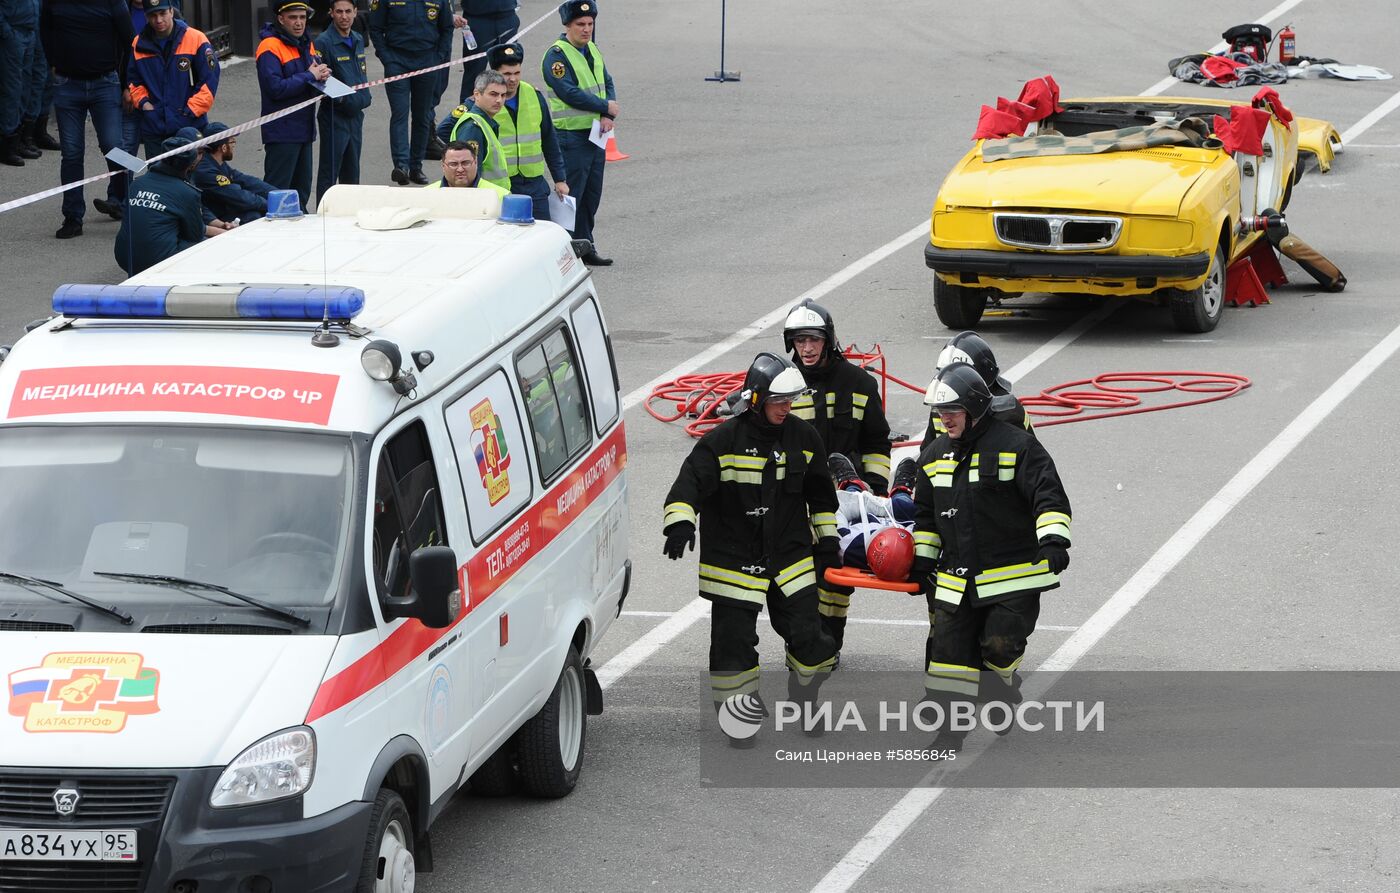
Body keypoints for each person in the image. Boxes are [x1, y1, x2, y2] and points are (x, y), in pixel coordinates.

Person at [663, 351, 839, 745]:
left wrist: (827, 541)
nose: (785, 408)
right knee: (733, 647)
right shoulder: (721, 442)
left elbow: (822, 498)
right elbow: (688, 484)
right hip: (733, 563)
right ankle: (739, 721)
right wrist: (679, 522)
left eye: (789, 402)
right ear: (756, 399)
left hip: (790, 558)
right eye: (778, 402)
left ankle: (807, 697)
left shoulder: (804, 438)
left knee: (811, 638)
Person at [911, 362, 1072, 750]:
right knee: (949, 660)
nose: (943, 419)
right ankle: (951, 732)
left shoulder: (1017, 446)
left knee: (999, 646)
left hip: (1011, 574)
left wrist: (1053, 541)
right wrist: (922, 560)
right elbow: (927, 516)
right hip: (956, 578)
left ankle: (999, 688)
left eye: (951, 411)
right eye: (939, 412)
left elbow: (1047, 495)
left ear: (974, 407)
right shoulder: (933, 456)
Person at [781, 299, 891, 656]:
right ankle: (805, 643)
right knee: (794, 581)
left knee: (834, 579)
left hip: (845, 503)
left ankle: (827, 644)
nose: (807, 348)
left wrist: (873, 493)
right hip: (795, 502)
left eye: (813, 339)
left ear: (827, 340)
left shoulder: (859, 383)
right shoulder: (782, 386)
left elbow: (876, 442)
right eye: (799, 341)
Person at [37, 0, 135, 236]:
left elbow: (130, 42)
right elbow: (46, 32)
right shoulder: (53, 3)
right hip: (67, 84)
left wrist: (127, 85)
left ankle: (130, 201)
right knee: (71, 152)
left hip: (105, 83)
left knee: (113, 146)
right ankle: (72, 217)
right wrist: (53, 63)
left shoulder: (113, 3)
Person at [540, 0, 616, 266]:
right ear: (567, 25)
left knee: (591, 195)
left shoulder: (592, 49)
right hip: (572, 136)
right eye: (580, 25)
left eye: (590, 24)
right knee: (570, 198)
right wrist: (604, 106)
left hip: (595, 134)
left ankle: (585, 245)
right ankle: (563, 251)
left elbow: (606, 81)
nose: (586, 29)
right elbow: (568, 92)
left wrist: (608, 113)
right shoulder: (557, 56)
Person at [115, 128, 234, 274]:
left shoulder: (137, 183)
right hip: (156, 260)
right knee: (207, 247)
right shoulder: (186, 191)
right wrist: (225, 235)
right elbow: (195, 235)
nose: (201, 157)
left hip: (124, 256)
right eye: (200, 153)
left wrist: (219, 226)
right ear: (191, 162)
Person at [366, 0, 453, 186]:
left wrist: (438, 57)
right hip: (397, 60)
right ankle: (401, 166)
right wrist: (387, 58)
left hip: (427, 60)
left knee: (423, 116)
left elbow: (447, 28)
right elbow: (375, 28)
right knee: (400, 113)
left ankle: (416, 167)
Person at [479, 42, 567, 222]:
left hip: (534, 184)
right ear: (495, 74)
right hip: (503, 186)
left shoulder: (534, 95)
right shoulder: (483, 101)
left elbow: (549, 139)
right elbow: (451, 131)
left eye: (517, 73)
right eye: (507, 74)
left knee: (542, 235)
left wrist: (560, 179)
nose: (513, 79)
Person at [255, 0, 329, 211]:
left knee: (301, 193)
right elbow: (275, 89)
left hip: (304, 129)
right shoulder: (269, 47)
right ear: (280, 18)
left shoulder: (306, 42)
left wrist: (321, 76)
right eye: (293, 17)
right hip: (282, 131)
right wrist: (310, 75)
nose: (299, 23)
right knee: (278, 193)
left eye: (302, 17)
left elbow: (309, 79)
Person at [127, 0, 217, 158]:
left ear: (171, 11)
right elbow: (134, 82)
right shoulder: (139, 43)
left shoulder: (196, 38)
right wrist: (145, 105)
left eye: (162, 13)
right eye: (153, 15)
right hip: (155, 126)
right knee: (158, 179)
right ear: (146, 16)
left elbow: (209, 83)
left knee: (192, 178)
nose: (159, 20)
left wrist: (189, 112)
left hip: (190, 126)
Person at [921, 331, 1035, 442]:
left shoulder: (1007, 414)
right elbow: (928, 453)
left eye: (960, 375)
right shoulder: (942, 405)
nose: (950, 383)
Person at [313, 0, 370, 202]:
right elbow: (321, 80)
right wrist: (346, 101)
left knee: (352, 171)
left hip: (356, 116)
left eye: (348, 11)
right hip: (334, 115)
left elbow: (361, 74)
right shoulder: (323, 42)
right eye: (339, 12)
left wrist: (364, 98)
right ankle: (324, 216)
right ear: (331, 13)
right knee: (330, 171)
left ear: (355, 12)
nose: (344, 16)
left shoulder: (357, 38)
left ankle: (349, 214)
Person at [193, 121, 275, 222]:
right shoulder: (207, 171)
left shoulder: (216, 161)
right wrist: (272, 204)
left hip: (222, 209)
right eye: (232, 142)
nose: (234, 146)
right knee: (253, 216)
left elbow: (244, 180)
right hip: (211, 218)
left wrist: (275, 193)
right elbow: (238, 197)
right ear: (223, 147)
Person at [443, 69, 507, 185]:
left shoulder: (483, 123)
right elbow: (468, 177)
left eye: (503, 95)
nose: (499, 100)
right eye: (493, 94)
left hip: (490, 197)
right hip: (482, 199)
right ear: (477, 94)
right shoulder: (473, 128)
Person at [454, 0, 516, 106]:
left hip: (507, 16)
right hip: (478, 18)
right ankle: (467, 115)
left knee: (509, 71)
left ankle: (508, 111)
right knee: (474, 73)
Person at [0, 0, 38, 166]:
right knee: (12, 90)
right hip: (13, 34)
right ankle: (7, 145)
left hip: (28, 32)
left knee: (25, 87)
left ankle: (19, 140)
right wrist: (7, 32)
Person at [425, 138, 506, 196]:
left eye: (466, 163)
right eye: (453, 164)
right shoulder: (425, 195)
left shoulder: (500, 196)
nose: (460, 169)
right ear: (443, 166)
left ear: (476, 162)